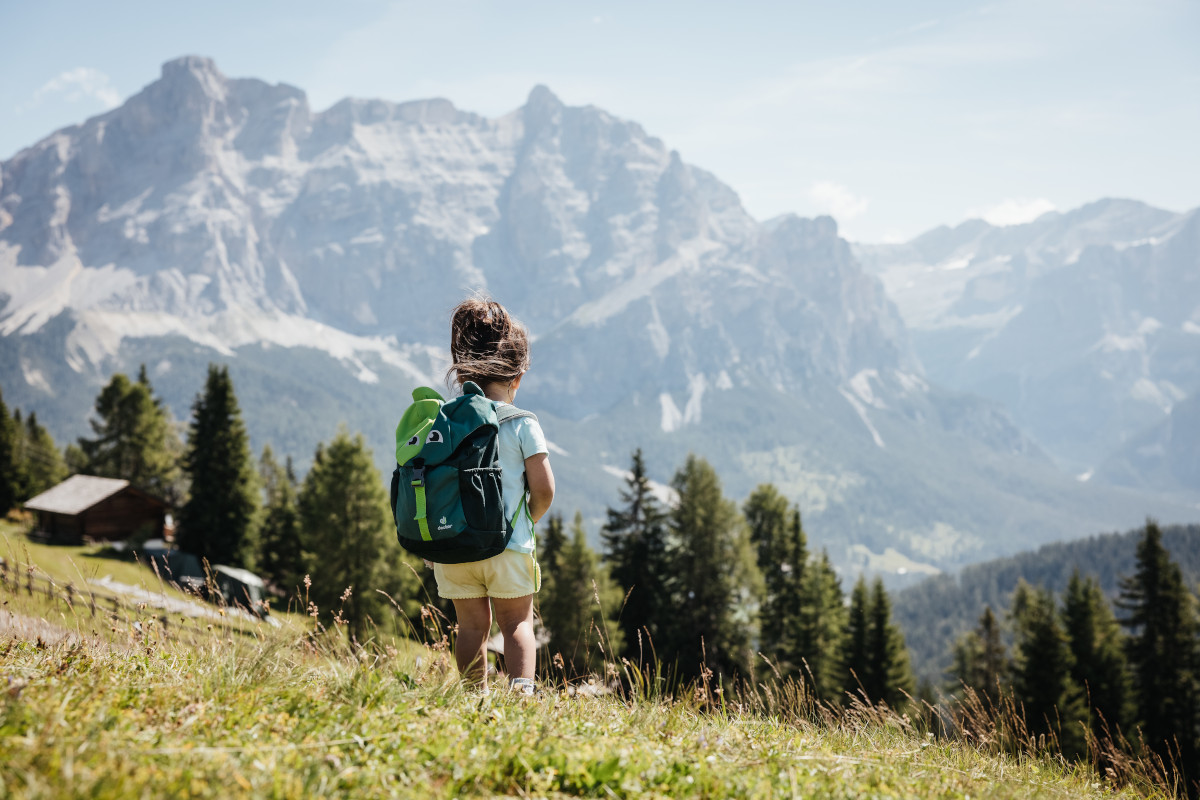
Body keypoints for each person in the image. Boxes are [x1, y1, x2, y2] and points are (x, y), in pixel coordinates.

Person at [433, 295, 555, 694]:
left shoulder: (446, 420)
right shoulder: (522, 423)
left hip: (455, 546)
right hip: (508, 544)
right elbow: (544, 488)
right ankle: (521, 696)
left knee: (470, 626)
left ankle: (473, 697)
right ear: (517, 378)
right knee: (517, 623)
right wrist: (529, 518)